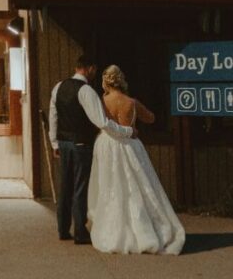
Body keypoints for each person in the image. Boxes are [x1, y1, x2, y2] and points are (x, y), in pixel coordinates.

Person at [87, 64, 185, 254]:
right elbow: (151, 118)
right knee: (138, 187)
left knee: (111, 185)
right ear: (121, 80)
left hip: (106, 145)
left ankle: (112, 228)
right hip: (129, 145)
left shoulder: (101, 101)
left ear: (105, 82)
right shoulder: (131, 102)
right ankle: (143, 228)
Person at [49, 55, 134, 244]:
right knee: (80, 187)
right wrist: (126, 131)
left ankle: (63, 229)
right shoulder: (86, 90)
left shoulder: (58, 87)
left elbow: (53, 116)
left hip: (63, 143)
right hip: (81, 144)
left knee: (65, 186)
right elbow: (101, 121)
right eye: (94, 70)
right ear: (90, 69)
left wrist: (54, 143)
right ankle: (80, 231)